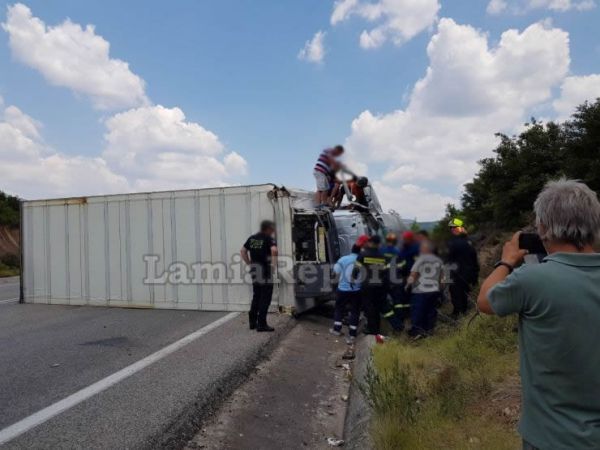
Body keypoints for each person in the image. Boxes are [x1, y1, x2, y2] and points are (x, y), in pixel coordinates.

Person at [477, 179, 600, 450]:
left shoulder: (531, 279)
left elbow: (485, 301)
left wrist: (506, 261)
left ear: (543, 228)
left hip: (553, 436)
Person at [241, 220, 278, 332]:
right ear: (267, 229)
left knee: (256, 295)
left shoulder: (252, 238)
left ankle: (252, 322)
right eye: (272, 229)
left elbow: (243, 251)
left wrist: (249, 263)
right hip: (265, 271)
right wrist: (273, 265)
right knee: (265, 297)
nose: (273, 231)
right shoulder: (268, 238)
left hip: (255, 270)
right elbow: (274, 250)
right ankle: (261, 324)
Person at [406, 240, 443, 338]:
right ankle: (429, 331)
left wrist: (407, 286)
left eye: (422, 247)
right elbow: (441, 278)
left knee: (418, 311)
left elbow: (413, 275)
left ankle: (417, 332)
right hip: (434, 290)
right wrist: (439, 290)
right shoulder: (438, 260)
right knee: (431, 311)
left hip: (420, 291)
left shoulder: (421, 260)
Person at [353, 235, 389, 335]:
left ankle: (371, 330)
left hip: (367, 286)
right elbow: (386, 273)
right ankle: (377, 329)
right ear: (378, 244)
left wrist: (353, 279)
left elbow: (356, 270)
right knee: (377, 308)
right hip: (379, 286)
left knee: (368, 308)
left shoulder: (363, 254)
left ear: (371, 243)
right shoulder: (383, 256)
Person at [446, 218, 479, 318]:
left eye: (453, 228)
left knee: (456, 294)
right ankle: (463, 312)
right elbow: (474, 259)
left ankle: (458, 315)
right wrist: (475, 276)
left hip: (457, 274)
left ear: (459, 228)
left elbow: (448, 261)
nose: (452, 230)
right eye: (451, 228)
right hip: (467, 274)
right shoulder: (468, 241)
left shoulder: (453, 243)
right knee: (464, 294)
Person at [331, 244, 362, 343]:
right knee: (355, 311)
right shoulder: (362, 260)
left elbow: (334, 272)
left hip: (343, 289)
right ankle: (352, 334)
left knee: (339, 308)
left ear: (351, 250)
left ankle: (337, 329)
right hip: (356, 290)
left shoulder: (343, 259)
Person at [395, 231, 421, 318]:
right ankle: (407, 313)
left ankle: (415, 313)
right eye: (403, 239)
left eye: (406, 239)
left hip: (415, 275)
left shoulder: (416, 248)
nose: (404, 240)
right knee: (405, 295)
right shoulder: (403, 248)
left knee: (414, 295)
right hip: (405, 275)